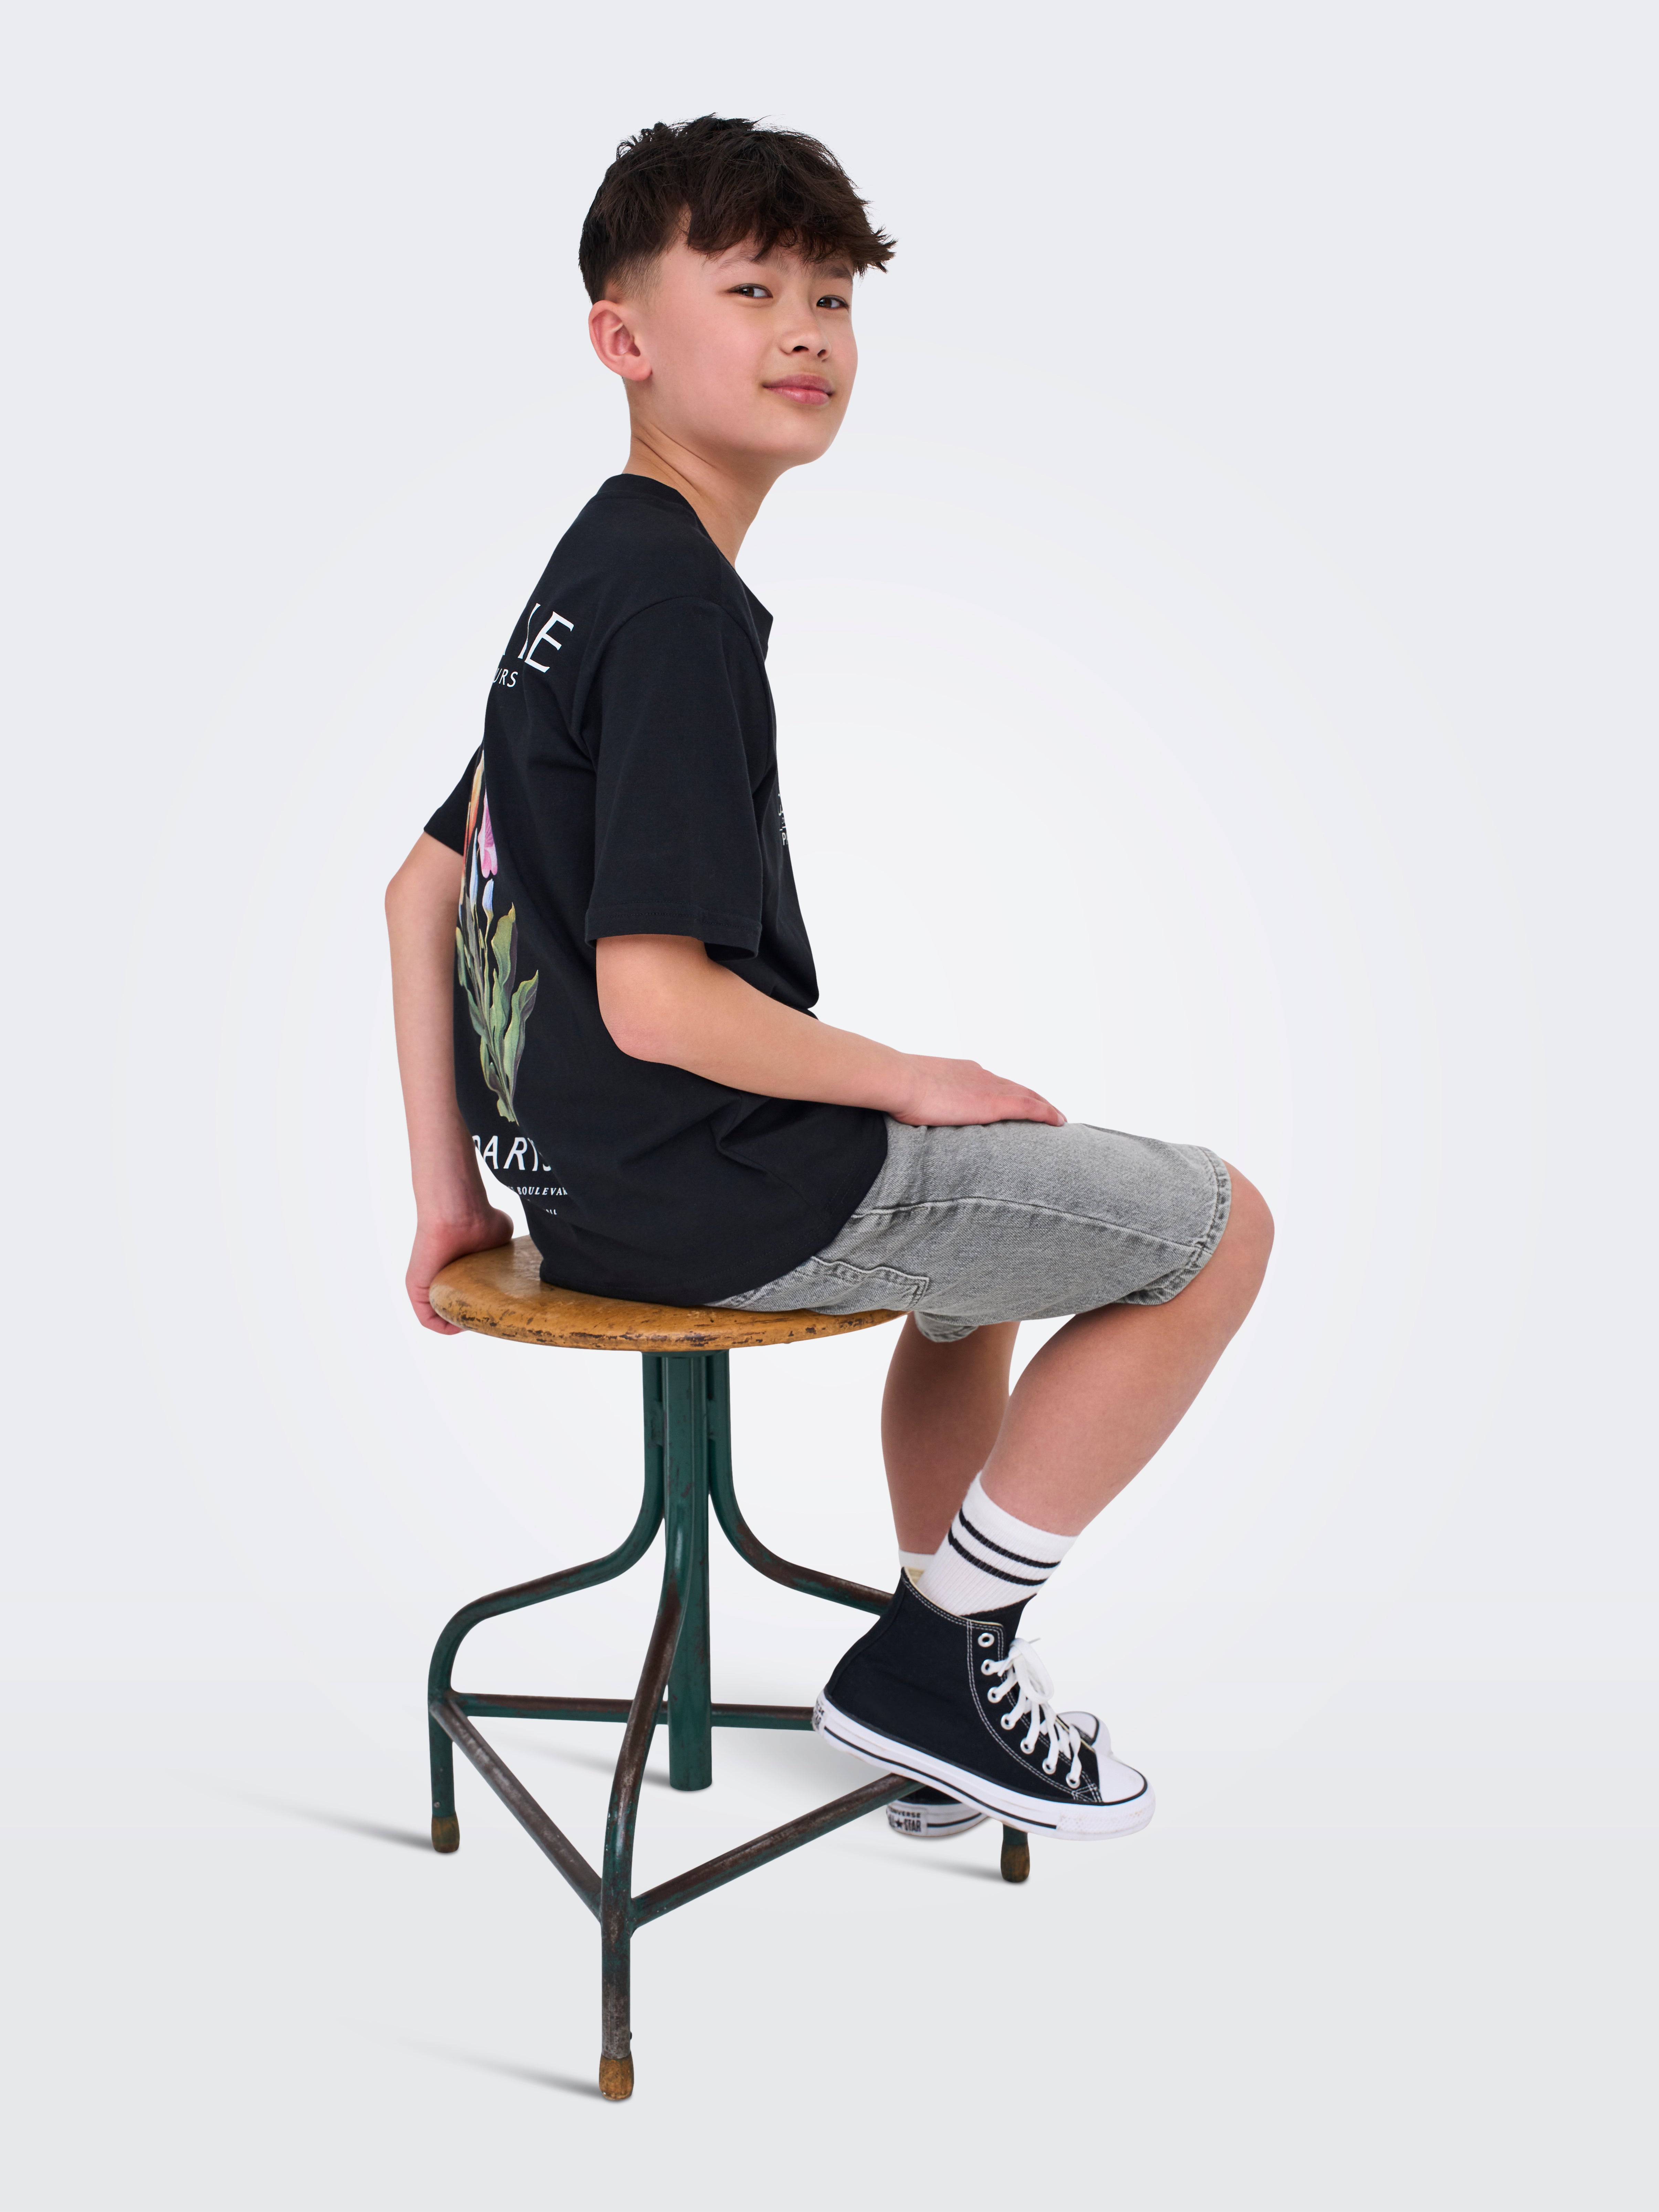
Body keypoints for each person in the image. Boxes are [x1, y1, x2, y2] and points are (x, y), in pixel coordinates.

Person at [385, 115, 1273, 1849]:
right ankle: (937, 1660)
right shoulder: (673, 612)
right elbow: (653, 1001)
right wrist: (906, 1073)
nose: (804, 332)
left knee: (983, 1251)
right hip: (717, 1191)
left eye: (832, 297)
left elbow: (421, 889)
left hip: (592, 1197)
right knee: (1218, 1232)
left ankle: (943, 1692)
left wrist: (452, 1196)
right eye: (748, 291)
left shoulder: (588, 575)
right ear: (623, 338)